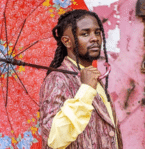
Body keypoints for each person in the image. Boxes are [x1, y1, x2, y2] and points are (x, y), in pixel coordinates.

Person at [39, 9, 123, 149]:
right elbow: (53, 138)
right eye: (85, 33)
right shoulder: (58, 79)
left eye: (97, 32)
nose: (95, 38)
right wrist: (86, 90)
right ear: (67, 41)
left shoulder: (93, 77)